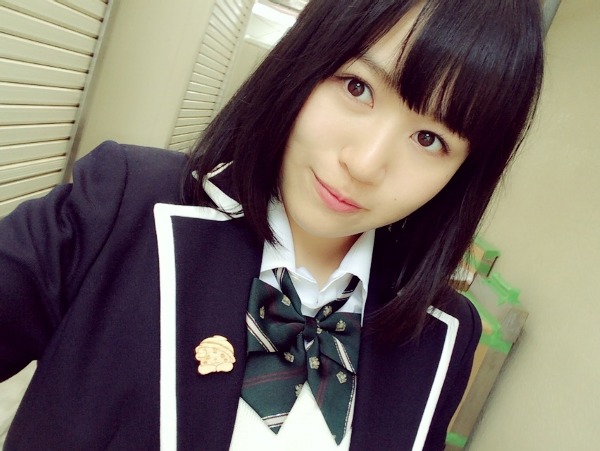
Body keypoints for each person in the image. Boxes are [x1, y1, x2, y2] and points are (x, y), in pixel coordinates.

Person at [0, 0, 544, 449]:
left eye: (429, 139)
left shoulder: (445, 333)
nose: (364, 164)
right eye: (357, 87)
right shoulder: (123, 205)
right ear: (307, 57)